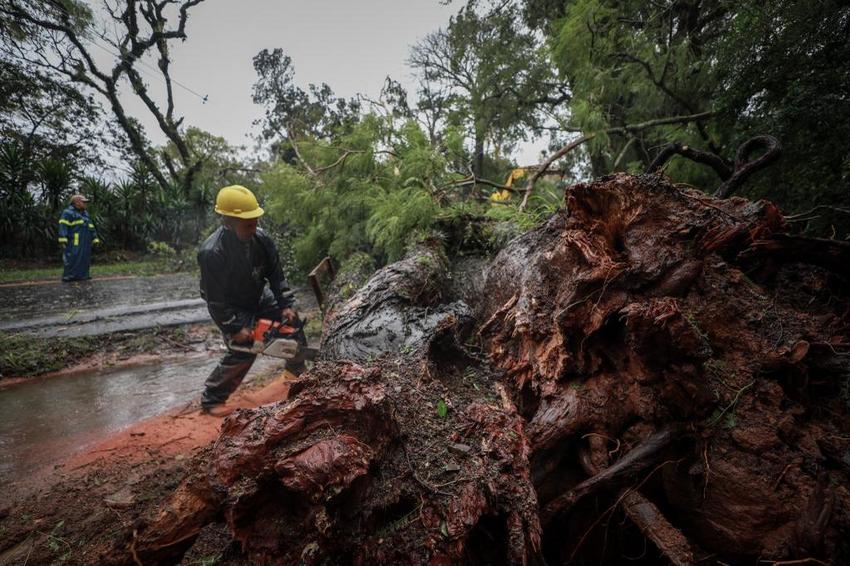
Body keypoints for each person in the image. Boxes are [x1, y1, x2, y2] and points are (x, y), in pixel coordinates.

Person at [198, 184, 307, 416]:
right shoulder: (212, 253)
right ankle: (212, 400)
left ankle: (296, 372)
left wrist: (286, 304)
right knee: (244, 347)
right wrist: (233, 327)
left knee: (293, 322)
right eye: (248, 224)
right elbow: (215, 300)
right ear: (228, 223)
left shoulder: (262, 240)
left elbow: (276, 276)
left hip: (259, 295)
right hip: (232, 305)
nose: (254, 227)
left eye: (255, 221)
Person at [58, 194, 100, 282]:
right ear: (76, 202)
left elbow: (91, 226)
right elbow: (63, 225)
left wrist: (95, 238)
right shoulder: (68, 213)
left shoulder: (85, 214)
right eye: (83, 202)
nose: (85, 204)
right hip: (74, 241)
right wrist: (63, 239)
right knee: (73, 258)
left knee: (85, 258)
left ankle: (83, 275)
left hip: (85, 241)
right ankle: (70, 276)